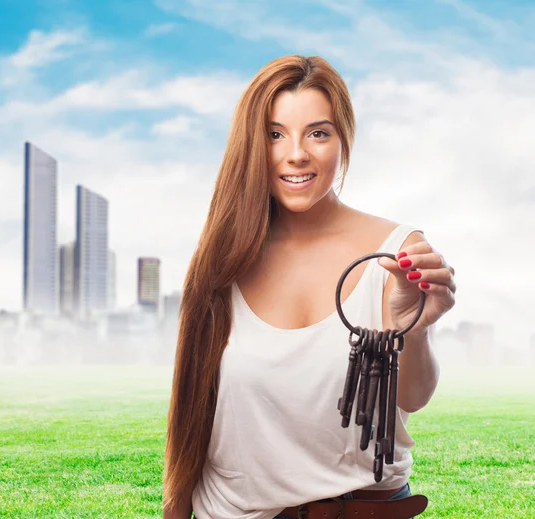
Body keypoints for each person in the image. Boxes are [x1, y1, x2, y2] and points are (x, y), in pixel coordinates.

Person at [162, 55, 456, 519]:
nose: (296, 153)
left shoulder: (395, 252)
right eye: (275, 134)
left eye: (318, 133)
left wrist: (413, 330)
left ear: (344, 140)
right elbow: (190, 422)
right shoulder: (221, 261)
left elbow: (413, 398)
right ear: (250, 144)